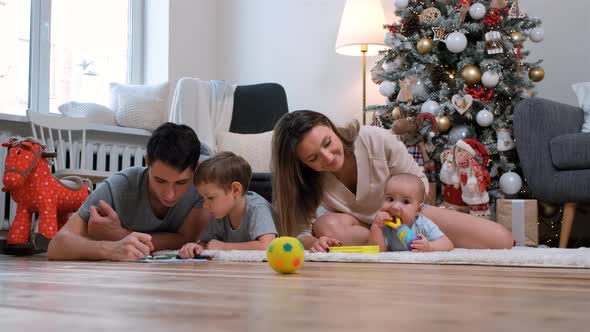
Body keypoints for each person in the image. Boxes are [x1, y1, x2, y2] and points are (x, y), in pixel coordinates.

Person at [271, 110, 513, 253]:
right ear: (302, 164)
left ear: (333, 129)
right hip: (367, 230)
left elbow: (419, 183)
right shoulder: (306, 179)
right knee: (327, 226)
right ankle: (387, 245)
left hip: (410, 217)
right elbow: (299, 232)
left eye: (327, 143)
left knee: (500, 239)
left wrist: (399, 211)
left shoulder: (374, 139)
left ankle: (403, 243)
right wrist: (315, 242)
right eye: (313, 158)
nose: (328, 157)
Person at [47, 123, 211, 261]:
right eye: (160, 181)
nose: (170, 194)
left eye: (181, 183)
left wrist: (120, 234)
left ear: (195, 168)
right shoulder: (120, 186)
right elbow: (57, 246)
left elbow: (187, 239)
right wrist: (110, 249)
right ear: (147, 162)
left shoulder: (202, 187)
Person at [178, 152, 277, 258]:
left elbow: (267, 246)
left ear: (235, 190)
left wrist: (225, 246)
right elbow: (207, 243)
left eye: (210, 198)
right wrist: (196, 247)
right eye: (203, 198)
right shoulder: (221, 213)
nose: (205, 205)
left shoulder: (258, 208)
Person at [369, 173, 453, 252]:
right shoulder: (383, 225)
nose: (395, 207)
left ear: (418, 210)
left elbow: (447, 244)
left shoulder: (422, 224)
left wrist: (430, 246)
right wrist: (376, 227)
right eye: (390, 199)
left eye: (405, 202)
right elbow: (379, 251)